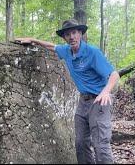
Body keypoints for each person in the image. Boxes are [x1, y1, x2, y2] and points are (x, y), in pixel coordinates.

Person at [15, 19, 120, 164]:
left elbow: (114, 74)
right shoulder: (67, 51)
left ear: (81, 34)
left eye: (74, 33)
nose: (71, 37)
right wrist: (33, 40)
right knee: (81, 143)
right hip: (83, 101)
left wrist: (106, 92)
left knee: (100, 144)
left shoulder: (92, 53)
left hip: (99, 101)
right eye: (67, 34)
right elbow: (52, 46)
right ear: (65, 37)